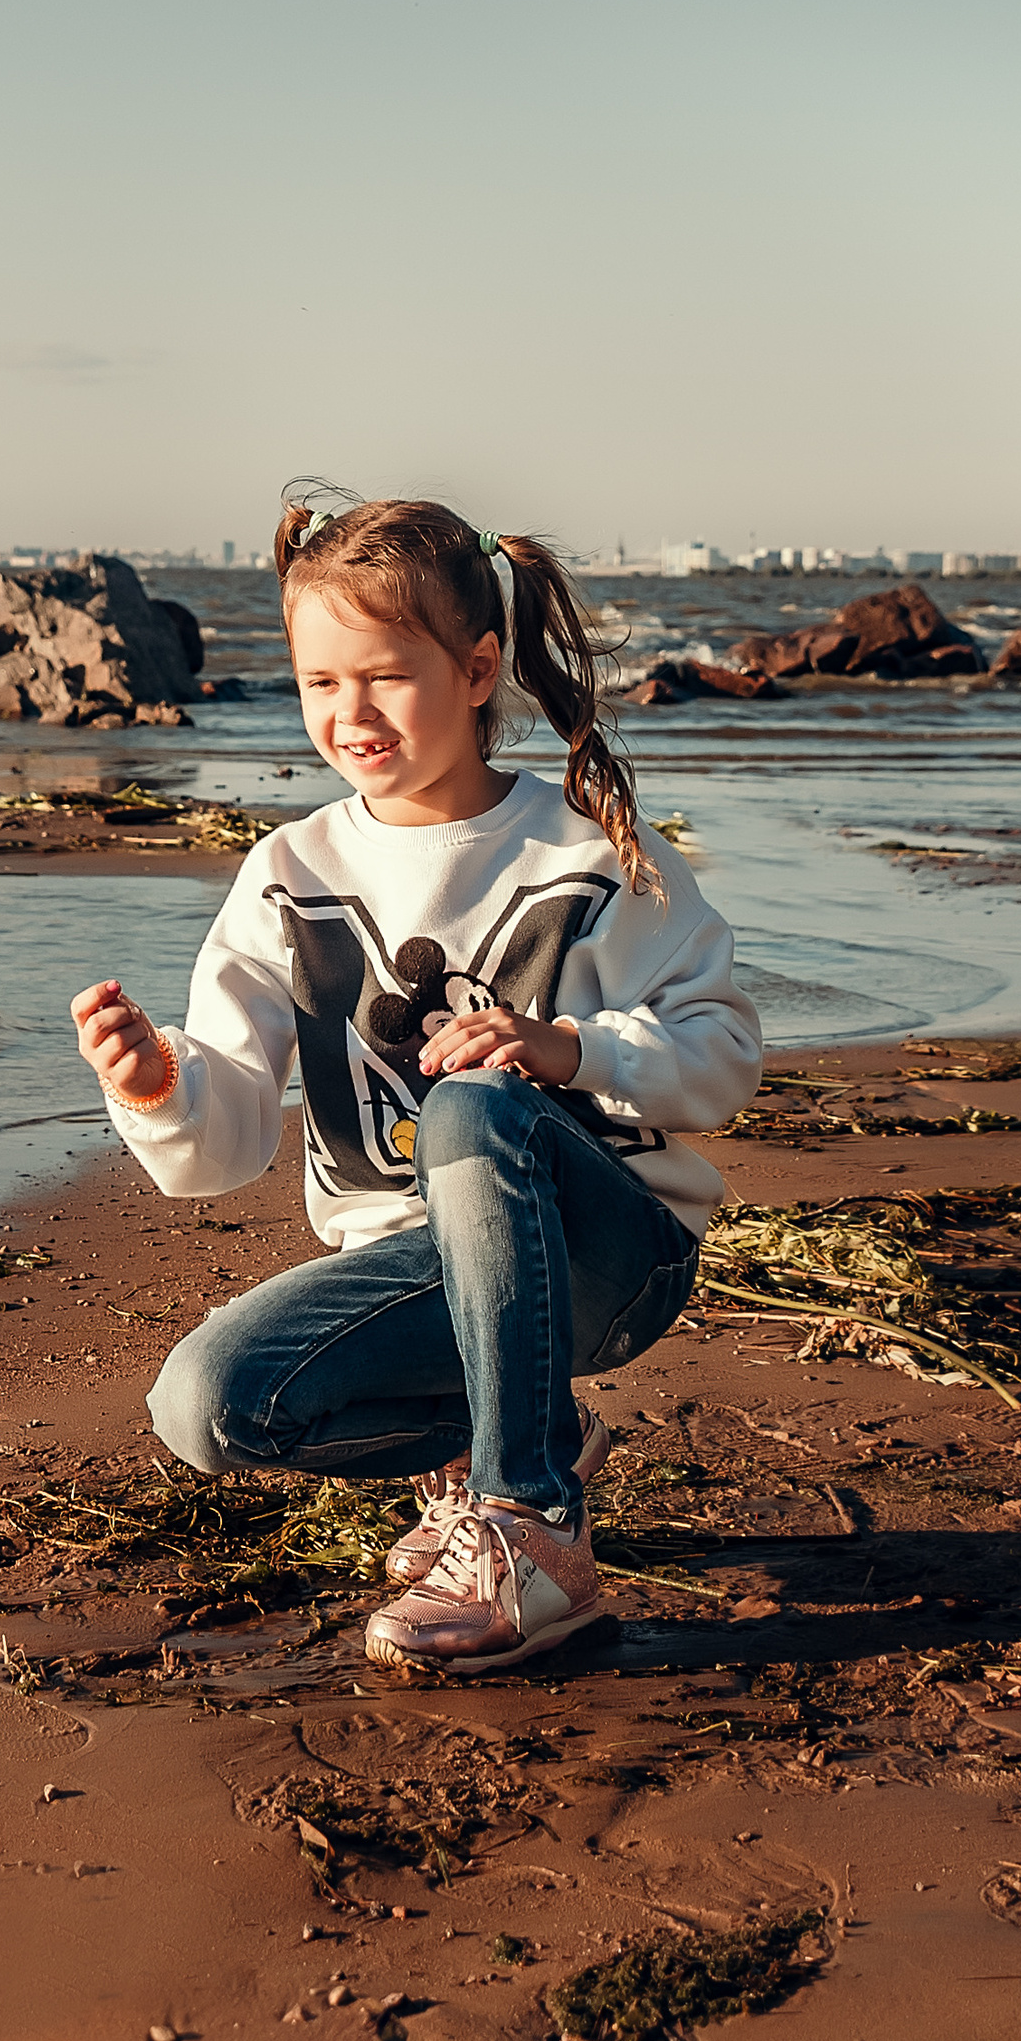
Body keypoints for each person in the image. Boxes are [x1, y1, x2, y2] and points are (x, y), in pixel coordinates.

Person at [68, 490, 762, 1674]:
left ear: (478, 667)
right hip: (409, 1276)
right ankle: (526, 1432)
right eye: (319, 683)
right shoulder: (287, 875)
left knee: (474, 1102)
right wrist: (156, 1087)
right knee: (204, 1407)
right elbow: (225, 1137)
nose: (351, 714)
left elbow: (722, 1049)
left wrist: (566, 1050)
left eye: (384, 676)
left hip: (608, 1255)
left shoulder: (583, 853)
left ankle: (529, 1531)